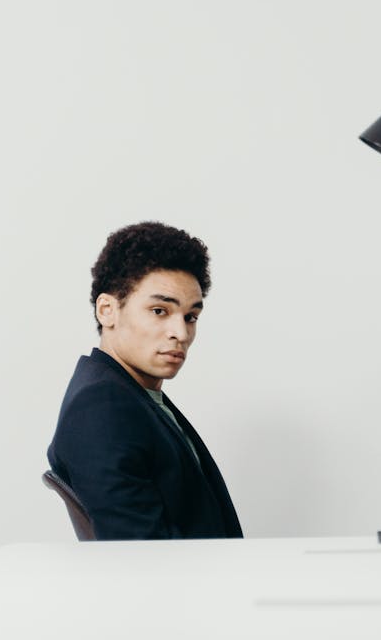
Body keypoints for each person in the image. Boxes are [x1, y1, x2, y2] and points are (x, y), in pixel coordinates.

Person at [46, 221, 243, 540]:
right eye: (159, 310)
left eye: (191, 317)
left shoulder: (134, 398)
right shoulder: (101, 408)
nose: (181, 333)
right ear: (107, 310)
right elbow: (140, 555)